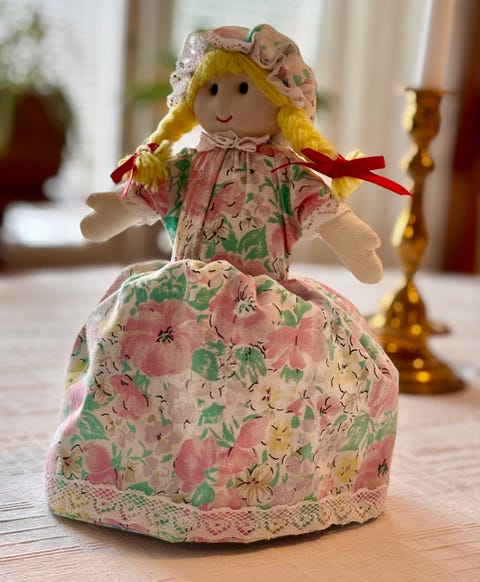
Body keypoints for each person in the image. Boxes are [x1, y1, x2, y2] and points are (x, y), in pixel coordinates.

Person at [46, 24, 399, 543]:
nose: (224, 103)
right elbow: (148, 194)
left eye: (242, 88)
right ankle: (122, 478)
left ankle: (267, 491)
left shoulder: (286, 172)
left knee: (270, 380)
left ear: (282, 101)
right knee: (136, 358)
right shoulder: (187, 164)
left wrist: (351, 240)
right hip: (177, 298)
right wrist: (116, 210)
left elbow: (322, 211)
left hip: (263, 302)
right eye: (211, 89)